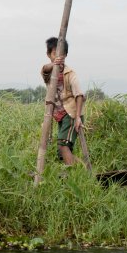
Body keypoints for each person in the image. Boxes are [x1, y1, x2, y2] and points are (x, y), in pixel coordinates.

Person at [41, 37, 85, 165]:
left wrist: (77, 118)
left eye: (61, 54)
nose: (58, 57)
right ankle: (83, 170)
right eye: (55, 54)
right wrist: (53, 64)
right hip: (59, 116)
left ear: (65, 55)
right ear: (49, 55)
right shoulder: (49, 73)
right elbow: (44, 69)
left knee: (63, 146)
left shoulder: (70, 73)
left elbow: (79, 95)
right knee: (61, 153)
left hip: (70, 114)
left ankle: (76, 174)